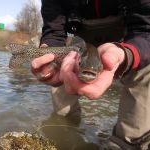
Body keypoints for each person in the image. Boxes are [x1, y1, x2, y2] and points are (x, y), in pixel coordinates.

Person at [31, 0, 150, 150]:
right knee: (63, 72)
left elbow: (146, 30)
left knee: (146, 69)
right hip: (79, 40)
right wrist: (49, 53)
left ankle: (127, 143)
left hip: (130, 38)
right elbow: (54, 32)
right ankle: (65, 132)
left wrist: (127, 54)